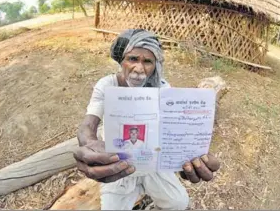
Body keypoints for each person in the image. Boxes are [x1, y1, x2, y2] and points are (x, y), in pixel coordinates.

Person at [74, 29, 220, 210]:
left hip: (153, 163)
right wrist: (89, 143)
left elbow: (173, 127)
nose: (139, 69)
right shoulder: (107, 84)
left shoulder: (162, 88)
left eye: (147, 61)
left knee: (178, 203)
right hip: (119, 163)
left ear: (155, 66)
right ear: (122, 61)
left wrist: (189, 152)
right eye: (133, 59)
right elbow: (87, 125)